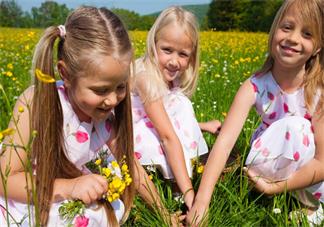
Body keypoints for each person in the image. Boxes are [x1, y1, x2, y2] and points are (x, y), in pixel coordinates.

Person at [0, 6, 181, 226]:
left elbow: (131, 165)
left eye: (121, 87)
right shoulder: (37, 102)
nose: (113, 100)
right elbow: (5, 179)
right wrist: (69, 187)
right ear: (65, 74)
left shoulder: (103, 117)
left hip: (67, 194)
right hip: (24, 197)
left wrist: (163, 211)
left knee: (105, 211)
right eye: (101, 90)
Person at [187, 0, 324, 225]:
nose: (293, 38)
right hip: (265, 165)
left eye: (307, 34)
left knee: (298, 127)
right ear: (274, 31)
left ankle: (307, 205)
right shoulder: (255, 86)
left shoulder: (318, 93)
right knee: (294, 127)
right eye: (287, 27)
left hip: (303, 170)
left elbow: (322, 162)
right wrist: (202, 200)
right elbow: (224, 142)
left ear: (317, 47)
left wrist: (275, 189)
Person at [131, 6, 221, 211]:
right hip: (133, 138)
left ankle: (173, 179)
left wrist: (202, 126)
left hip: (159, 130)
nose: (174, 61)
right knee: (179, 113)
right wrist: (190, 194)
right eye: (167, 50)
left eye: (183, 54)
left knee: (181, 103)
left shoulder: (171, 79)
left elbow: (163, 117)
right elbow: (166, 136)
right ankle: (174, 188)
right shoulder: (145, 77)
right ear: (153, 44)